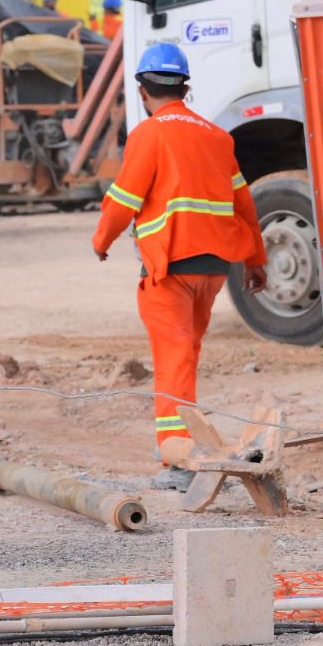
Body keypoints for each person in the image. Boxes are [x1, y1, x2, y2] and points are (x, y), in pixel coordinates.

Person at [92, 44, 268, 491]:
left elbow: (125, 198)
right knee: (186, 355)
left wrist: (101, 240)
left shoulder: (150, 134)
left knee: (173, 361)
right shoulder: (216, 136)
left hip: (169, 267)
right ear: (185, 88)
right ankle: (187, 451)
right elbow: (244, 204)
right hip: (211, 270)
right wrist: (255, 259)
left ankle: (180, 460)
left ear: (142, 89)